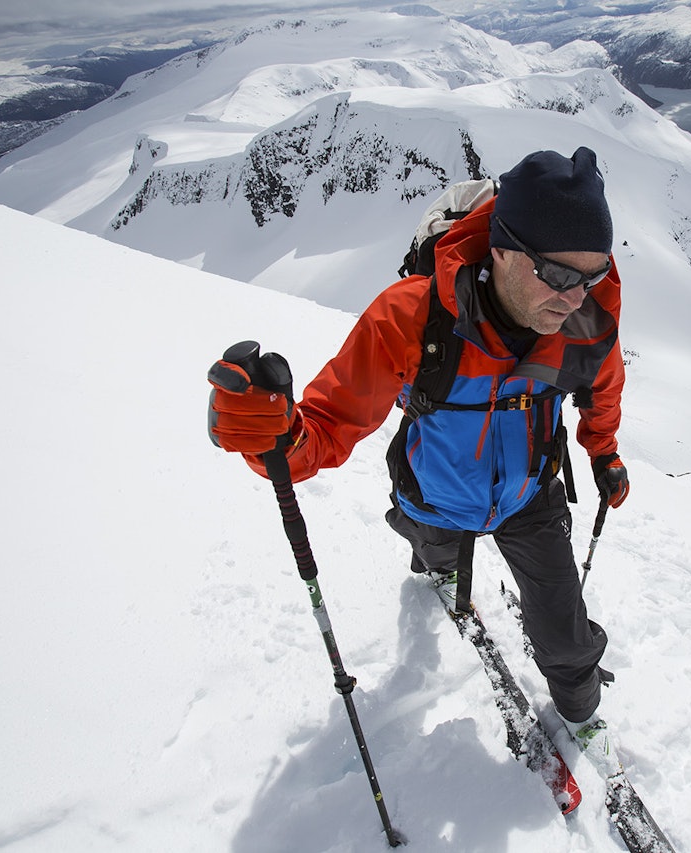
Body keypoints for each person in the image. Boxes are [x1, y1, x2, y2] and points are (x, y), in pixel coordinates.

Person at [209, 146, 630, 758]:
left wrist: (603, 452)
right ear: (503, 248)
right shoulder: (411, 318)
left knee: (564, 638)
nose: (574, 297)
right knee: (432, 546)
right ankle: (439, 566)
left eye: (591, 277)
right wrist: (271, 437)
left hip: (530, 494)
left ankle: (582, 711)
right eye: (560, 275)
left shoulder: (585, 321)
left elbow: (604, 388)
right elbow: (325, 426)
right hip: (431, 488)